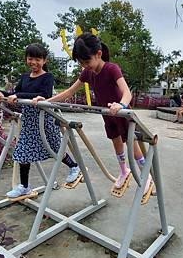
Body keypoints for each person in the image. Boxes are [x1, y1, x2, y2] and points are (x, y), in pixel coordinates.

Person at [32, 33, 153, 200]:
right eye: (81, 63)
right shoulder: (87, 73)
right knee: (116, 143)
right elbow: (69, 92)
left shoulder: (112, 68)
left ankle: (146, 176)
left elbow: (126, 92)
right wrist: (46, 101)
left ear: (98, 54)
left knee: (132, 146)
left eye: (86, 62)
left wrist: (121, 105)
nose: (85, 66)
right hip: (108, 114)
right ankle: (124, 171)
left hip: (122, 113)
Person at [0, 43, 81, 199]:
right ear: (26, 59)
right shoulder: (25, 78)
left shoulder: (48, 77)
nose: (33, 62)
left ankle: (74, 167)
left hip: (44, 118)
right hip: (28, 120)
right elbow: (15, 93)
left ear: (44, 60)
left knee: (54, 147)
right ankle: (25, 187)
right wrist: (1, 92)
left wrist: (20, 96)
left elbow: (44, 94)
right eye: (30, 58)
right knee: (22, 152)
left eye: (37, 59)